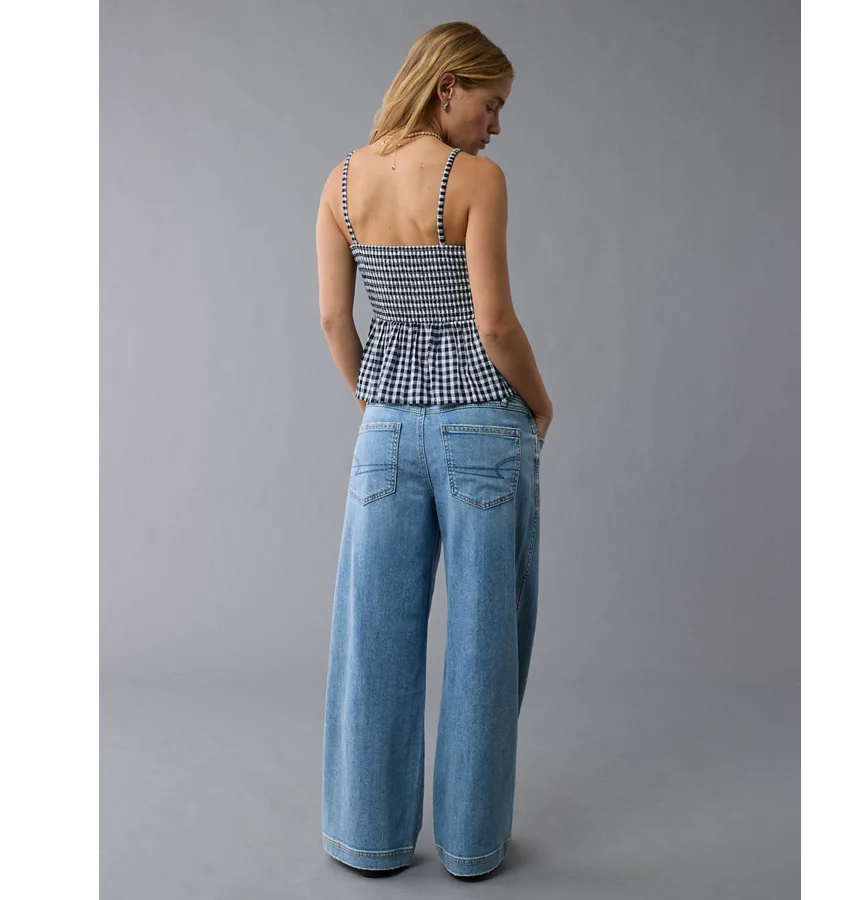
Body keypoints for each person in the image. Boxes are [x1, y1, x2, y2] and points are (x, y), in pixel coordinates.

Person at [315, 21, 553, 879]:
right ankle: (470, 846)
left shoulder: (342, 182)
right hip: (483, 426)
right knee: (484, 642)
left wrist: (376, 400)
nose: (496, 126)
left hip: (384, 428)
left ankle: (368, 839)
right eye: (492, 104)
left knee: (372, 637)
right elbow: (496, 323)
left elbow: (334, 320)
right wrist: (541, 403)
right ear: (448, 86)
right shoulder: (474, 179)